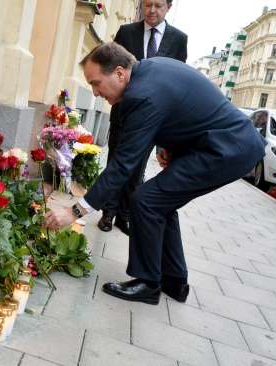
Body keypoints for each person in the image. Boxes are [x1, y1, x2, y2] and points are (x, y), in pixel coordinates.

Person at [45, 42, 265, 305]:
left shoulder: (142, 95)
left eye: (96, 83)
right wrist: (167, 146)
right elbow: (179, 105)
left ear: (119, 73)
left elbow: (123, 165)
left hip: (226, 149)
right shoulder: (148, 71)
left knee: (146, 200)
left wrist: (74, 212)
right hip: (222, 143)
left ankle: (148, 282)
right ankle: (174, 281)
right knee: (159, 201)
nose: (94, 92)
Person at [99, 0, 188, 235]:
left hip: (152, 119)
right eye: (148, 4)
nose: (152, 11)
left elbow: (176, 81)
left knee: (137, 168)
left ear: (169, 7)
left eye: (158, 6)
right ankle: (108, 212)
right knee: (116, 162)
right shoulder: (127, 32)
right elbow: (111, 68)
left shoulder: (179, 39)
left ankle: (124, 215)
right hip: (123, 113)